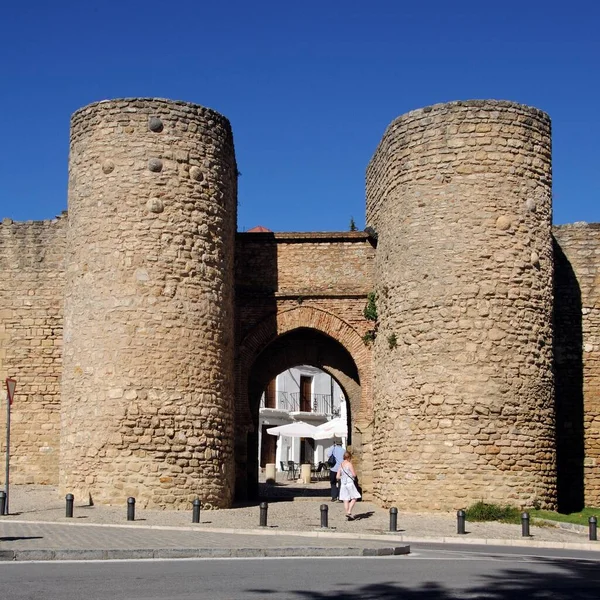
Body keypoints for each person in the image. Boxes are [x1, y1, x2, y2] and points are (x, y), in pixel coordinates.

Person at [336, 451, 361, 519]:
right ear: (349, 457)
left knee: (345, 499)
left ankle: (348, 514)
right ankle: (349, 511)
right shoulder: (349, 464)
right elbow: (354, 474)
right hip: (349, 483)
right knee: (355, 497)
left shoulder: (341, 465)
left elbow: (337, 476)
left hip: (343, 484)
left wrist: (343, 477)